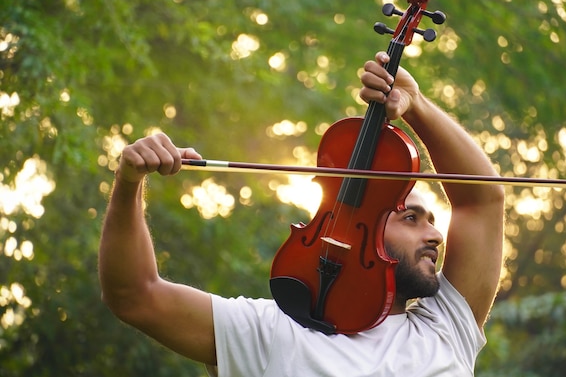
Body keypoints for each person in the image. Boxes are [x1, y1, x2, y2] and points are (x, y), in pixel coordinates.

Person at [99, 51, 505, 376]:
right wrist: (129, 183)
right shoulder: (270, 331)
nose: (435, 235)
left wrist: (416, 106)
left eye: (431, 221)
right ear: (354, 227)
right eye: (411, 218)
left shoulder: (445, 328)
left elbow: (481, 201)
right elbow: (136, 296)